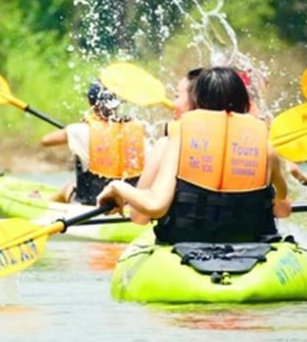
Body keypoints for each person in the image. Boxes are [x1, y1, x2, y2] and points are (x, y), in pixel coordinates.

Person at [97, 66, 293, 244]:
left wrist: (117, 187)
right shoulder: (266, 147)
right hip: (249, 244)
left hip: (188, 243)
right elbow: (283, 211)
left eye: (177, 96)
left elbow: (148, 212)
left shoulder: (179, 139)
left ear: (197, 102)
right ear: (243, 102)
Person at [40, 80, 147, 205]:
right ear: (116, 104)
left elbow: (45, 141)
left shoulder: (80, 130)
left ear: (91, 103)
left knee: (68, 187)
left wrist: (72, 129)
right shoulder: (136, 131)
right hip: (129, 203)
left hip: (91, 203)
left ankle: (42, 202)